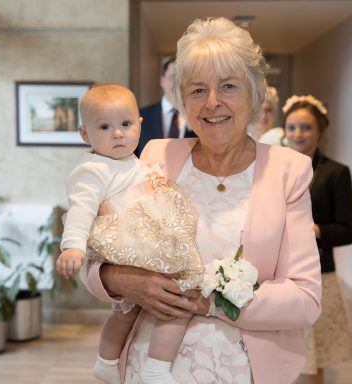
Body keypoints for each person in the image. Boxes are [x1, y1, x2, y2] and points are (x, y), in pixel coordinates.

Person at [79, 17, 322, 384]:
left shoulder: (289, 171)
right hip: (148, 369)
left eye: (228, 86)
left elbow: (305, 299)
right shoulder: (153, 158)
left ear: (254, 94)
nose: (212, 103)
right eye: (196, 90)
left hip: (245, 371)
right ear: (181, 100)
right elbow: (96, 251)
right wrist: (122, 280)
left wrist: (212, 303)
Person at [56, 83, 204, 384]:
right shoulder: (93, 169)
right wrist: (72, 247)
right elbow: (80, 209)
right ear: (86, 135)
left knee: (131, 311)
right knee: (172, 303)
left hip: (146, 243)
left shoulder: (135, 163)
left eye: (125, 124)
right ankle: (154, 370)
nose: (118, 134)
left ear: (139, 124)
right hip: (129, 244)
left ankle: (107, 363)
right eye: (105, 127)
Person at [280, 95, 352, 384]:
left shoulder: (336, 173)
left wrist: (316, 231)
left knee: (313, 361)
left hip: (317, 274)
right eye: (291, 127)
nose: (297, 134)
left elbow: (348, 231)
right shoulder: (274, 168)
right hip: (275, 273)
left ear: (320, 130)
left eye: (306, 127)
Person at [136, 56, 196, 156]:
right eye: (172, 77)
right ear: (162, 81)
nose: (177, 83)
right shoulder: (141, 116)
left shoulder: (200, 117)